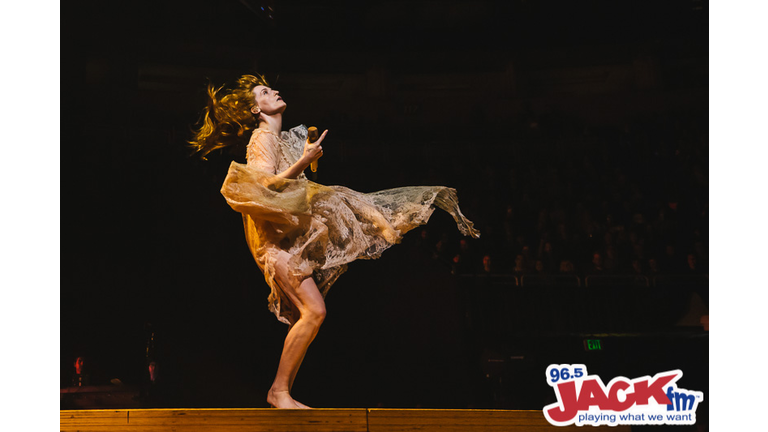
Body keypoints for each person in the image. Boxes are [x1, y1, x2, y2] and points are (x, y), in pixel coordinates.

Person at [189, 74, 480, 409]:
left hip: (285, 239)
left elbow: (286, 184)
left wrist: (306, 157)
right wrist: (303, 160)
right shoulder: (262, 138)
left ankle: (280, 391)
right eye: (266, 92)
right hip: (275, 245)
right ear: (256, 108)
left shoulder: (277, 137)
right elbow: (265, 187)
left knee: (314, 310)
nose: (276, 91)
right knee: (313, 309)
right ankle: (278, 392)